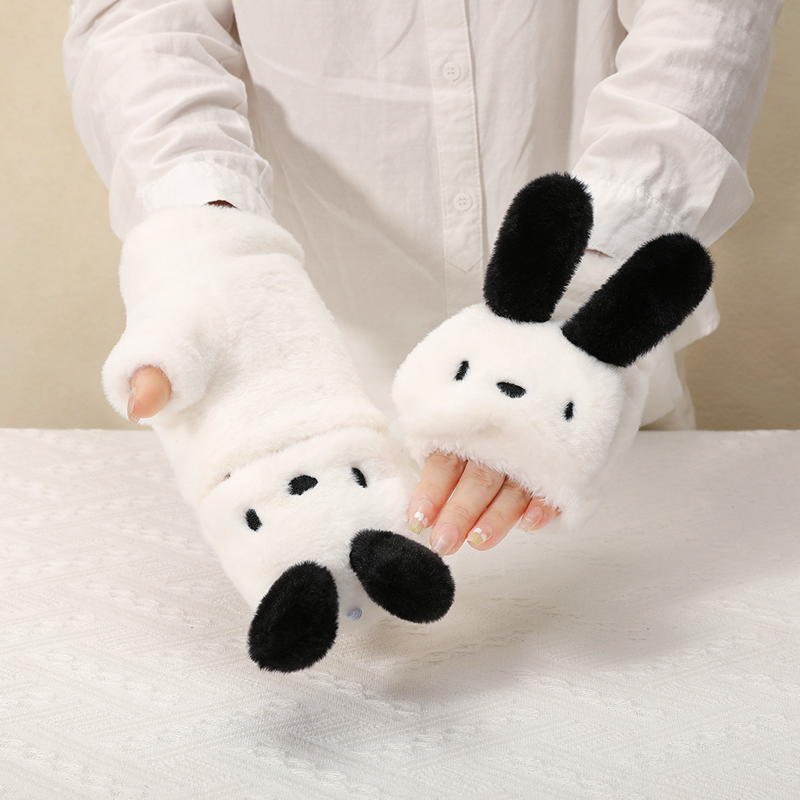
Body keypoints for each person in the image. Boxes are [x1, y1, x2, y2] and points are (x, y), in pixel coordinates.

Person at [64, 0, 782, 557]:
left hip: (589, 421)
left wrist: (590, 283)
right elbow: (141, 20)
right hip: (298, 425)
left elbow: (706, 21)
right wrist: (211, 240)